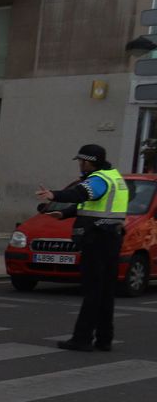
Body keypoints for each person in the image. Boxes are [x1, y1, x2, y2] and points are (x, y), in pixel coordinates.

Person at [36, 143, 128, 352]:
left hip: (98, 240)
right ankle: (104, 339)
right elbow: (94, 205)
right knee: (105, 292)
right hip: (111, 238)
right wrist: (65, 213)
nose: (80, 164)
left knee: (93, 291)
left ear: (89, 162)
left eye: (81, 161)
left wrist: (54, 195)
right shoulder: (114, 177)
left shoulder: (98, 180)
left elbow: (81, 194)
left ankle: (82, 339)